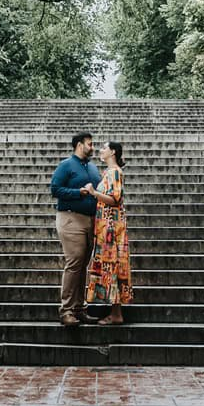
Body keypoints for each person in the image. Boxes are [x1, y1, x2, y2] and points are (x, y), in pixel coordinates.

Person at [49, 131, 101, 326]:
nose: (92, 147)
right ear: (79, 145)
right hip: (71, 218)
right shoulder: (66, 165)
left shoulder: (92, 167)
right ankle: (66, 310)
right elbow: (55, 189)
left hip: (90, 220)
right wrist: (78, 192)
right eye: (90, 144)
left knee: (83, 263)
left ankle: (79, 308)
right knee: (74, 261)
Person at [82, 140, 132, 325]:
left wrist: (94, 193)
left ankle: (116, 314)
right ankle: (115, 312)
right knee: (110, 268)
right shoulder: (110, 172)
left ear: (113, 152)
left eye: (104, 148)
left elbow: (115, 198)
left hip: (112, 228)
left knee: (113, 267)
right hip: (107, 227)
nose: (100, 150)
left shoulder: (115, 172)